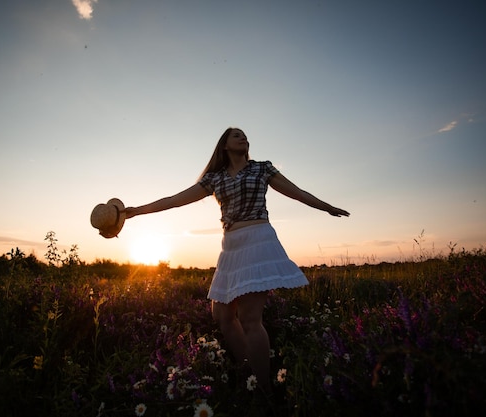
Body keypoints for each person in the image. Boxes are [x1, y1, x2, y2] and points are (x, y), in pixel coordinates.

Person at [124, 127, 349, 412]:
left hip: (257, 240)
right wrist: (135, 211)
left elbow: (298, 193)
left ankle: (266, 393)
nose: (244, 138)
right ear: (225, 145)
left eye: (245, 136)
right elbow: (173, 200)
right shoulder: (214, 178)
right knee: (221, 314)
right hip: (230, 246)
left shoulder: (262, 169)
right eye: (237, 136)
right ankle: (250, 372)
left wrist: (327, 207)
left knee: (251, 319)